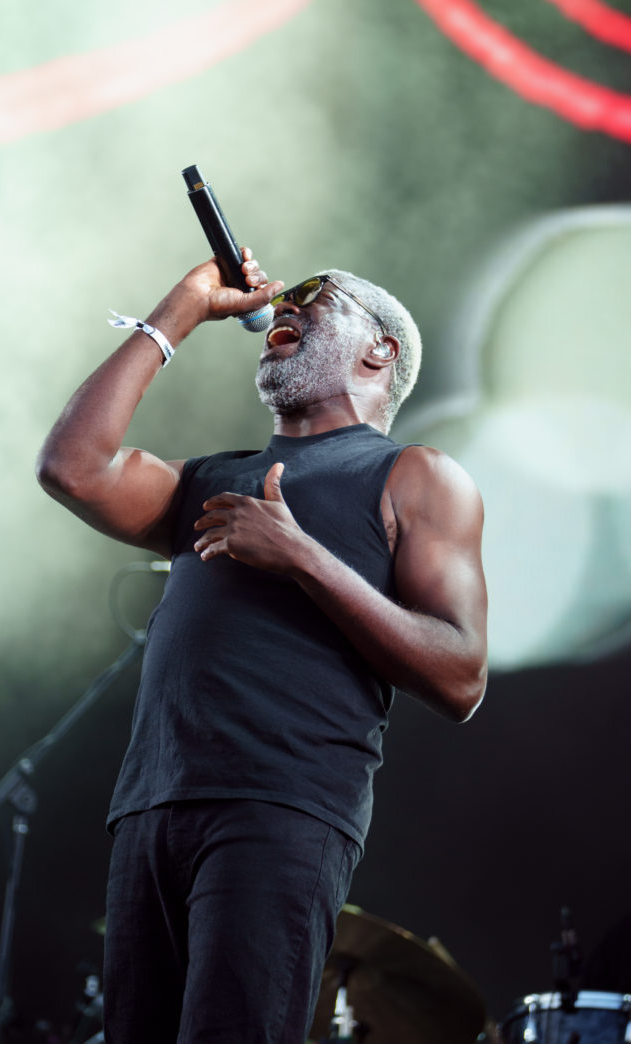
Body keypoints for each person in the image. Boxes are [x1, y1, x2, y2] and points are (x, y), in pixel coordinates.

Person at [36, 247, 488, 1044]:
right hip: (151, 806)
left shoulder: (416, 475)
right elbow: (72, 468)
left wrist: (302, 556)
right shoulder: (210, 479)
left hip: (281, 806)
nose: (287, 305)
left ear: (379, 349)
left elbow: (461, 677)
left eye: (318, 295)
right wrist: (182, 307)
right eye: (287, 298)